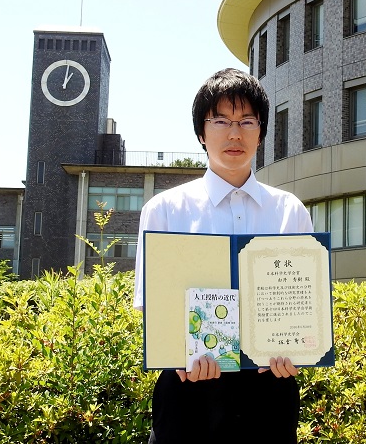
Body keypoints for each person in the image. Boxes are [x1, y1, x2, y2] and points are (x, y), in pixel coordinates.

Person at [133, 68, 313, 443]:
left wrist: (294, 347)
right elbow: (152, 305)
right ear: (202, 132)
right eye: (221, 121)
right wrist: (177, 354)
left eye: (247, 121)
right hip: (189, 387)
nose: (235, 133)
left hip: (270, 388)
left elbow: (303, 307)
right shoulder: (165, 209)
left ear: (261, 132)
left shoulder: (289, 210)